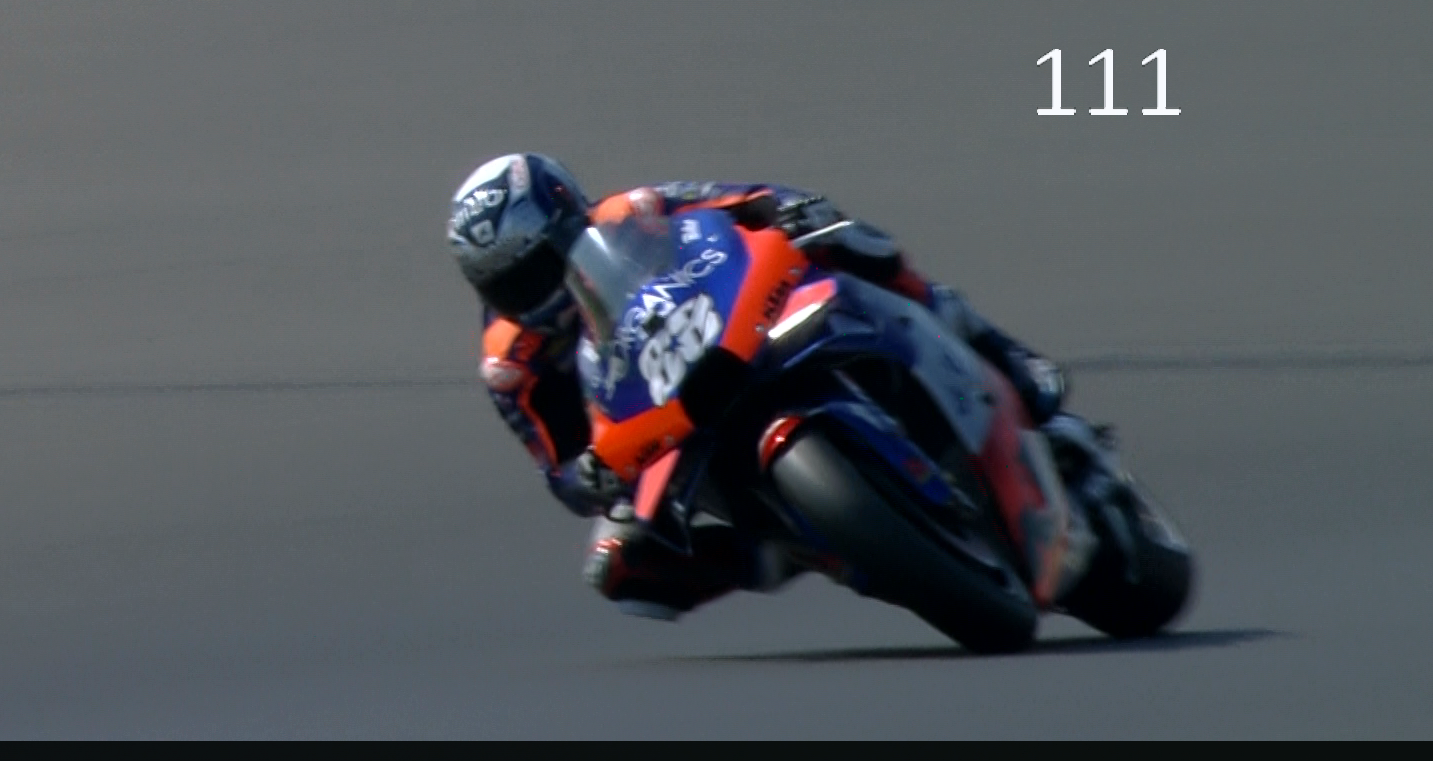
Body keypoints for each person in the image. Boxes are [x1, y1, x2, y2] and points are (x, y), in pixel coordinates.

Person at [447, 153, 1078, 618]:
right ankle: (780, 551)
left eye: (537, 267)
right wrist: (586, 476)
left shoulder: (633, 213)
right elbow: (558, 467)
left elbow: (737, 200)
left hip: (731, 325)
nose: (529, 291)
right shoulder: (511, 361)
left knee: (857, 245)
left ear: (568, 223)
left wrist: (791, 210)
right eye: (507, 284)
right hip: (660, 423)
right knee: (616, 568)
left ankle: (1006, 356)